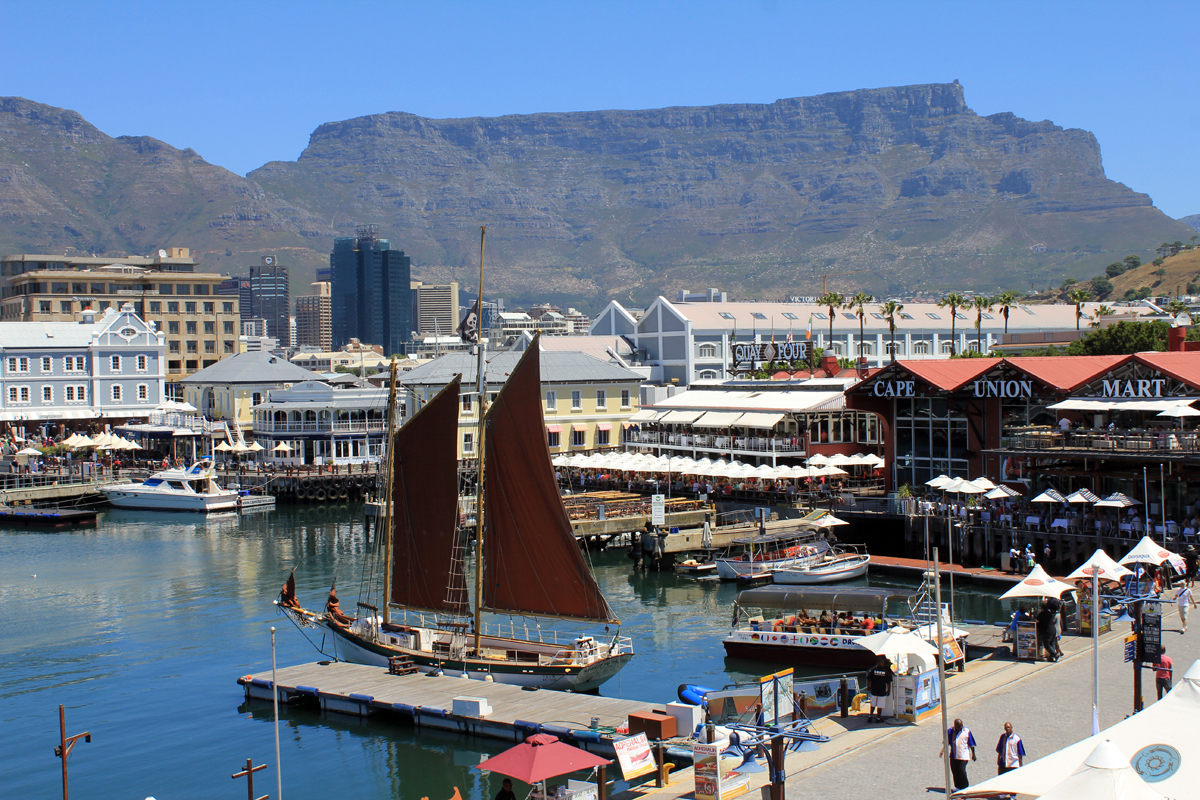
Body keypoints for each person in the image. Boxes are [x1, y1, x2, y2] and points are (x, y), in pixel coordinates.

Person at [938, 718, 976, 790]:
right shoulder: (950, 731)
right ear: (955, 725)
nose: (961, 727)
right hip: (954, 755)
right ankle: (958, 786)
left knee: (961, 770)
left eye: (962, 725)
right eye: (959, 726)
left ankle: (965, 786)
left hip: (964, 755)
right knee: (955, 771)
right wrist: (942, 751)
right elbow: (947, 742)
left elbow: (971, 744)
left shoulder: (966, 731)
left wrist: (973, 754)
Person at [866, 655, 894, 723]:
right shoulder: (886, 672)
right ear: (883, 663)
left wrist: (868, 686)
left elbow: (869, 679)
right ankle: (878, 718)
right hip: (881, 691)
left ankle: (870, 716)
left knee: (873, 704)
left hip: (874, 690)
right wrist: (888, 690)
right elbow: (888, 682)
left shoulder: (873, 671)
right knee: (880, 705)